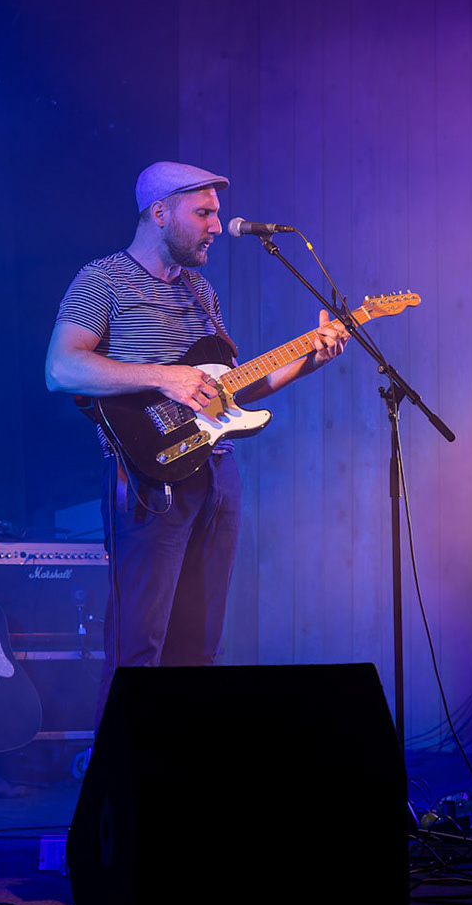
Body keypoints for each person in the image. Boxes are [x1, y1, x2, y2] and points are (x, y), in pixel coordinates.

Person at [45, 161, 349, 722]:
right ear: (160, 213)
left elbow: (231, 388)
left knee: (200, 642)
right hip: (146, 475)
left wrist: (310, 358)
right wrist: (163, 375)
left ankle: (185, 771)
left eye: (216, 213)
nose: (216, 225)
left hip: (216, 471)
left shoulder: (199, 290)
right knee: (141, 640)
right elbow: (62, 369)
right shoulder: (103, 279)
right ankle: (124, 774)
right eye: (203, 213)